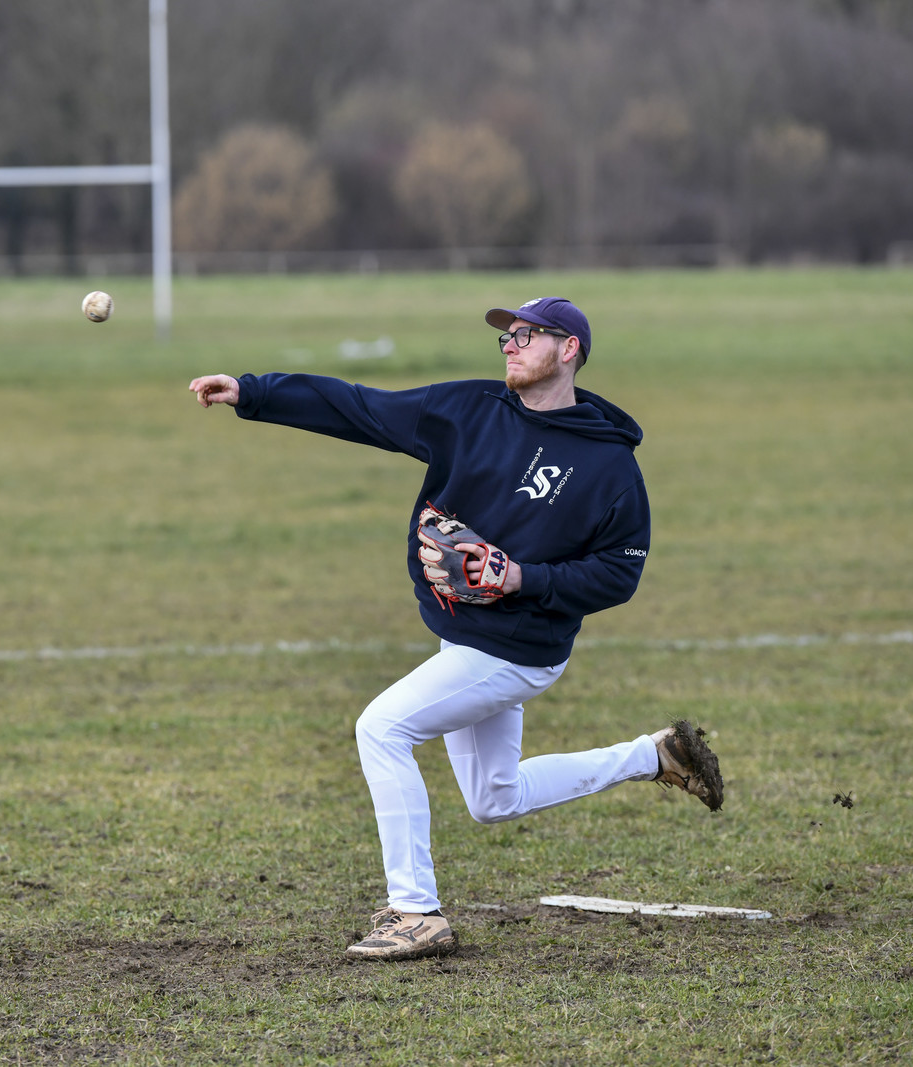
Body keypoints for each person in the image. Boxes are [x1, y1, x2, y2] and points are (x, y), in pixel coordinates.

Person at [188, 296, 723, 961]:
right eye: (506, 334)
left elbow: (619, 573)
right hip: (465, 635)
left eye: (528, 334)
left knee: (382, 727)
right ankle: (657, 755)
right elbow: (363, 408)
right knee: (494, 798)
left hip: (521, 649)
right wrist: (254, 393)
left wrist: (521, 578)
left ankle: (415, 912)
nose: (510, 343)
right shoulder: (470, 411)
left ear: (570, 350)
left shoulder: (611, 467)